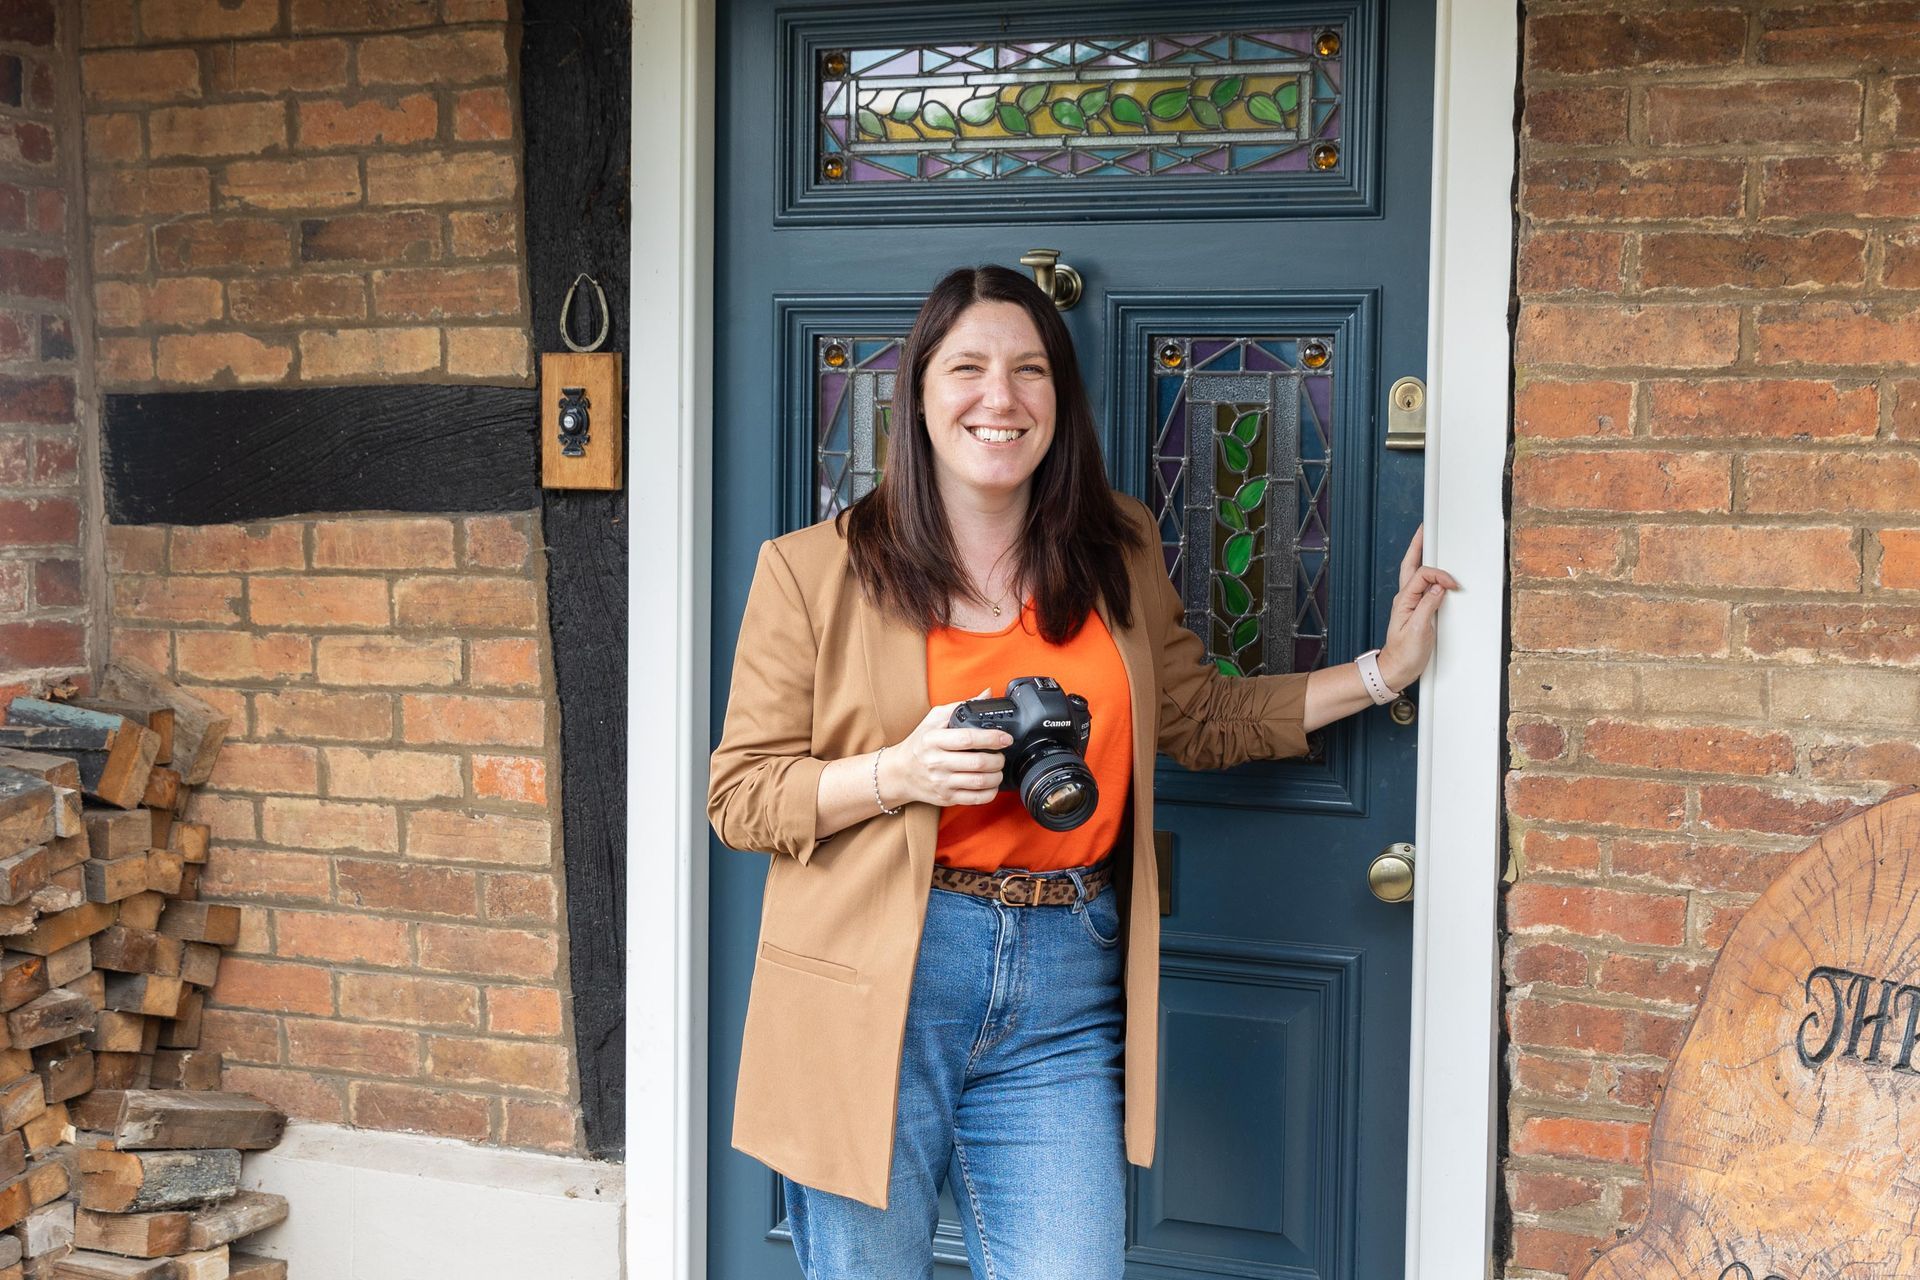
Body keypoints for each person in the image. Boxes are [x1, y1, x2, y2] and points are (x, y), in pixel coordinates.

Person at [708, 264, 1457, 1279]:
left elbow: (1199, 715)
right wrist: (898, 771)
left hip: (1068, 970)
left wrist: (1381, 671)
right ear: (920, 392)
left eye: (1029, 370)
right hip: (880, 970)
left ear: (1059, 396)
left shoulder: (1119, 546)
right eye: (967, 367)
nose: (999, 397)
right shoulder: (814, 568)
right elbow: (742, 793)